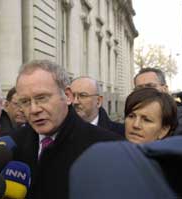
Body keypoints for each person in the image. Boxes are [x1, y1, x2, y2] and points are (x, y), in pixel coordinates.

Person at [11, 60, 123, 199]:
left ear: (68, 96)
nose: (34, 109)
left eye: (42, 98)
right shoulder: (13, 144)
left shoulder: (108, 147)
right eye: (25, 102)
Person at [134, 67, 182, 136]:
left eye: (150, 86)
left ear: (165, 89)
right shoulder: (133, 116)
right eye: (139, 88)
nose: (145, 91)